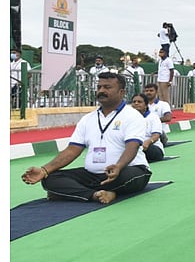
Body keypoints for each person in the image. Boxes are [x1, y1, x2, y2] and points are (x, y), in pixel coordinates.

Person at [21, 72, 152, 204]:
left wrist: (118, 166)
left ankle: (73, 192)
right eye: (99, 87)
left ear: (122, 92)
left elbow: (133, 146)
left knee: (127, 177)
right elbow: (72, 149)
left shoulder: (133, 116)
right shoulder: (87, 119)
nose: (101, 91)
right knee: (50, 179)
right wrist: (44, 170)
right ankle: (96, 194)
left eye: (107, 87)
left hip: (127, 170)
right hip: (92, 175)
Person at [131, 93, 165, 162]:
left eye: (139, 102)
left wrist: (148, 142)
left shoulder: (153, 117)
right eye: (134, 102)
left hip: (151, 147)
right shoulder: (128, 118)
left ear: (146, 105)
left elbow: (156, 136)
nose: (136, 103)